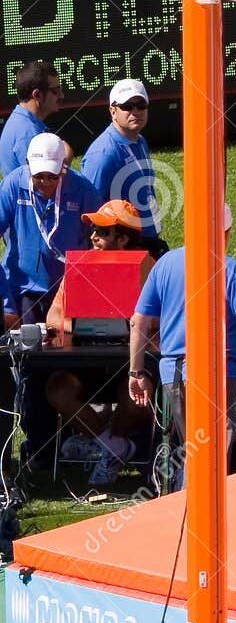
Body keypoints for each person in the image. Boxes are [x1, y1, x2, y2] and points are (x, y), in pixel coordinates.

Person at [129, 203, 236, 489]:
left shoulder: (165, 264)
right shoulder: (232, 270)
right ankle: (202, 509)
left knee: (191, 444)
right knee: (210, 449)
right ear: (225, 231)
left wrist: (136, 372)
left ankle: (183, 504)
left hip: (171, 374)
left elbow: (138, 321)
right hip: (214, 372)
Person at [45, 199, 150, 489]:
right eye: (93, 229)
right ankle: (113, 448)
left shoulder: (149, 269)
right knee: (58, 389)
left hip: (131, 365)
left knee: (136, 398)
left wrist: (128, 325)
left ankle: (103, 447)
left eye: (102, 232)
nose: (92, 236)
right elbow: (54, 316)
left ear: (124, 238)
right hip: (86, 363)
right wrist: (83, 324)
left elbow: (158, 320)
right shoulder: (79, 265)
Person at [0, 133, 101, 322]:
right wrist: (5, 300)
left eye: (52, 176)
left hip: (68, 288)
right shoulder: (13, 185)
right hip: (23, 288)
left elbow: (101, 233)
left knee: (67, 348)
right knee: (28, 348)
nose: (45, 183)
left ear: (63, 166)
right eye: (38, 176)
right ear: (27, 165)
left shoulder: (82, 188)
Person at [80, 79, 162, 248]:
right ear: (113, 111)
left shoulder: (140, 141)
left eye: (141, 105)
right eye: (127, 106)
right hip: (122, 248)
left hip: (145, 241)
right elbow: (91, 208)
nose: (135, 111)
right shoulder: (104, 154)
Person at [0, 61, 65, 176]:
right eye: (55, 91)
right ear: (37, 95)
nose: (61, 95)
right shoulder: (28, 133)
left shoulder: (19, 122)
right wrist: (66, 158)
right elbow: (42, 183)